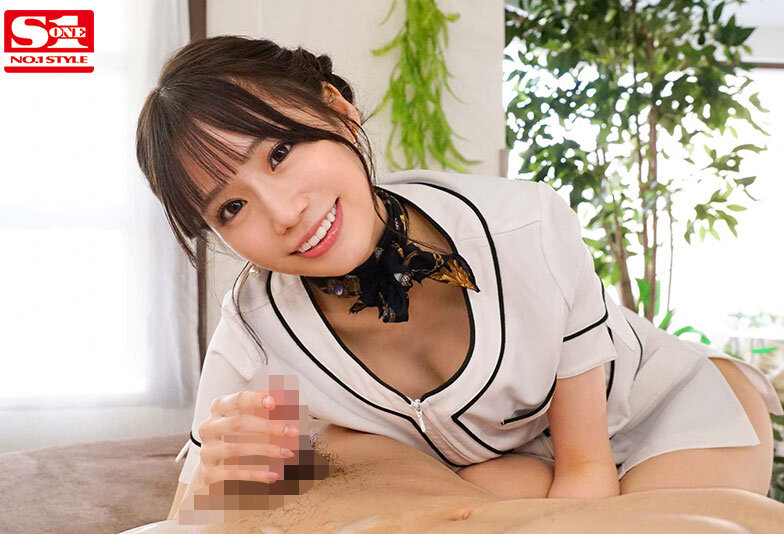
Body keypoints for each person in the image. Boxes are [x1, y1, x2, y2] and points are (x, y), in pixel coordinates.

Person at [134, 35, 784, 520]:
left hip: (668, 417)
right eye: (232, 207)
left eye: (279, 152)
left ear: (337, 109)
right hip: (512, 465)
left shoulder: (526, 227)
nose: (283, 213)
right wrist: (215, 477)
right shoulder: (255, 332)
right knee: (443, 493)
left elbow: (586, 470)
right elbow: (187, 516)